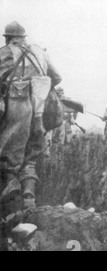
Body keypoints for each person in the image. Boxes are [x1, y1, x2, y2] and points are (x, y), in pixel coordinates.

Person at [0, 21, 62, 211]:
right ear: (23, 37)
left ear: (8, 38)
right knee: (30, 158)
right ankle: (29, 201)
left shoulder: (5, 52)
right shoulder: (39, 52)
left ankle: (10, 209)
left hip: (17, 108)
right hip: (40, 111)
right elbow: (57, 78)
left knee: (8, 160)